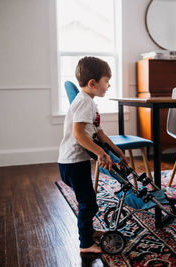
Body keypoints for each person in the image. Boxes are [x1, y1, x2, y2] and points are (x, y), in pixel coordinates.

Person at [58, 56, 128, 254]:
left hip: (76, 162)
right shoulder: (84, 103)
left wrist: (114, 149)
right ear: (92, 83)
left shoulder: (91, 103)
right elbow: (78, 133)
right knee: (88, 203)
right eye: (106, 81)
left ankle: (88, 232)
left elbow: (99, 132)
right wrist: (100, 153)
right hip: (72, 163)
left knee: (89, 201)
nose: (108, 85)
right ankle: (85, 244)